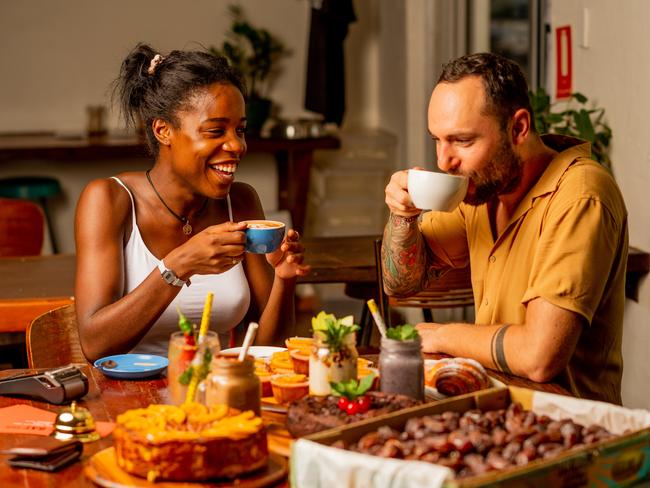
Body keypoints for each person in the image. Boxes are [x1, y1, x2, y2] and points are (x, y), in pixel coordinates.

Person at [382, 52, 628, 404]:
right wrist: (402, 214)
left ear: (518, 128)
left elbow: (538, 357)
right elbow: (400, 282)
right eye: (438, 139)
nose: (444, 161)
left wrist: (441, 335)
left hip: (569, 428)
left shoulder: (581, 195)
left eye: (462, 141)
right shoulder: (482, 191)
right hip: (500, 409)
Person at [75, 44, 309, 361]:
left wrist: (284, 279)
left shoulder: (240, 201)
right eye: (215, 130)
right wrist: (178, 265)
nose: (236, 145)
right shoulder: (109, 200)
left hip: (219, 396)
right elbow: (94, 344)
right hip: (130, 402)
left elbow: (270, 347)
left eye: (240, 130)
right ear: (163, 130)